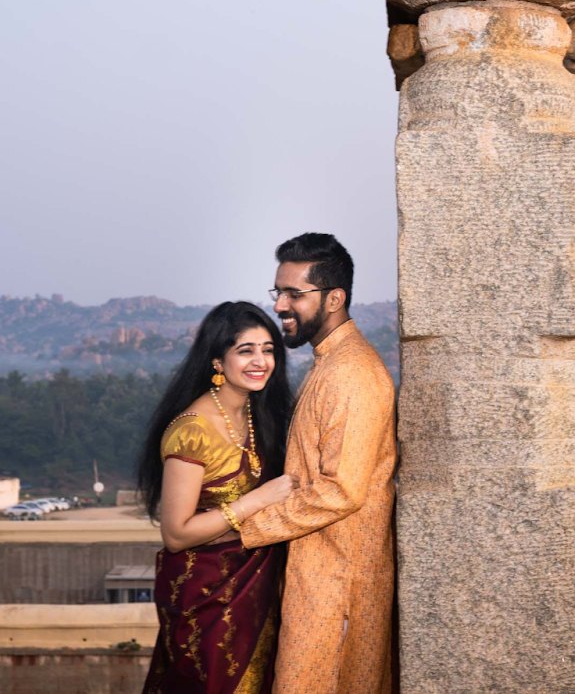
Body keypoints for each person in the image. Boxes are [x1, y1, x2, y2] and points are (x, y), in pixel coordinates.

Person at [238, 233, 397, 694]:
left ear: (334, 298)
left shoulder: (353, 373)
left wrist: (244, 527)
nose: (281, 305)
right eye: (278, 292)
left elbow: (341, 490)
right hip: (319, 578)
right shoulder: (331, 363)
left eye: (294, 294)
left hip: (340, 585)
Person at [136, 301, 297, 694]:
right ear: (217, 361)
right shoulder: (193, 431)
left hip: (256, 587)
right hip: (205, 596)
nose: (261, 361)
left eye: (268, 349)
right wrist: (258, 500)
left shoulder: (259, 415)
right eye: (246, 350)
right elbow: (175, 534)